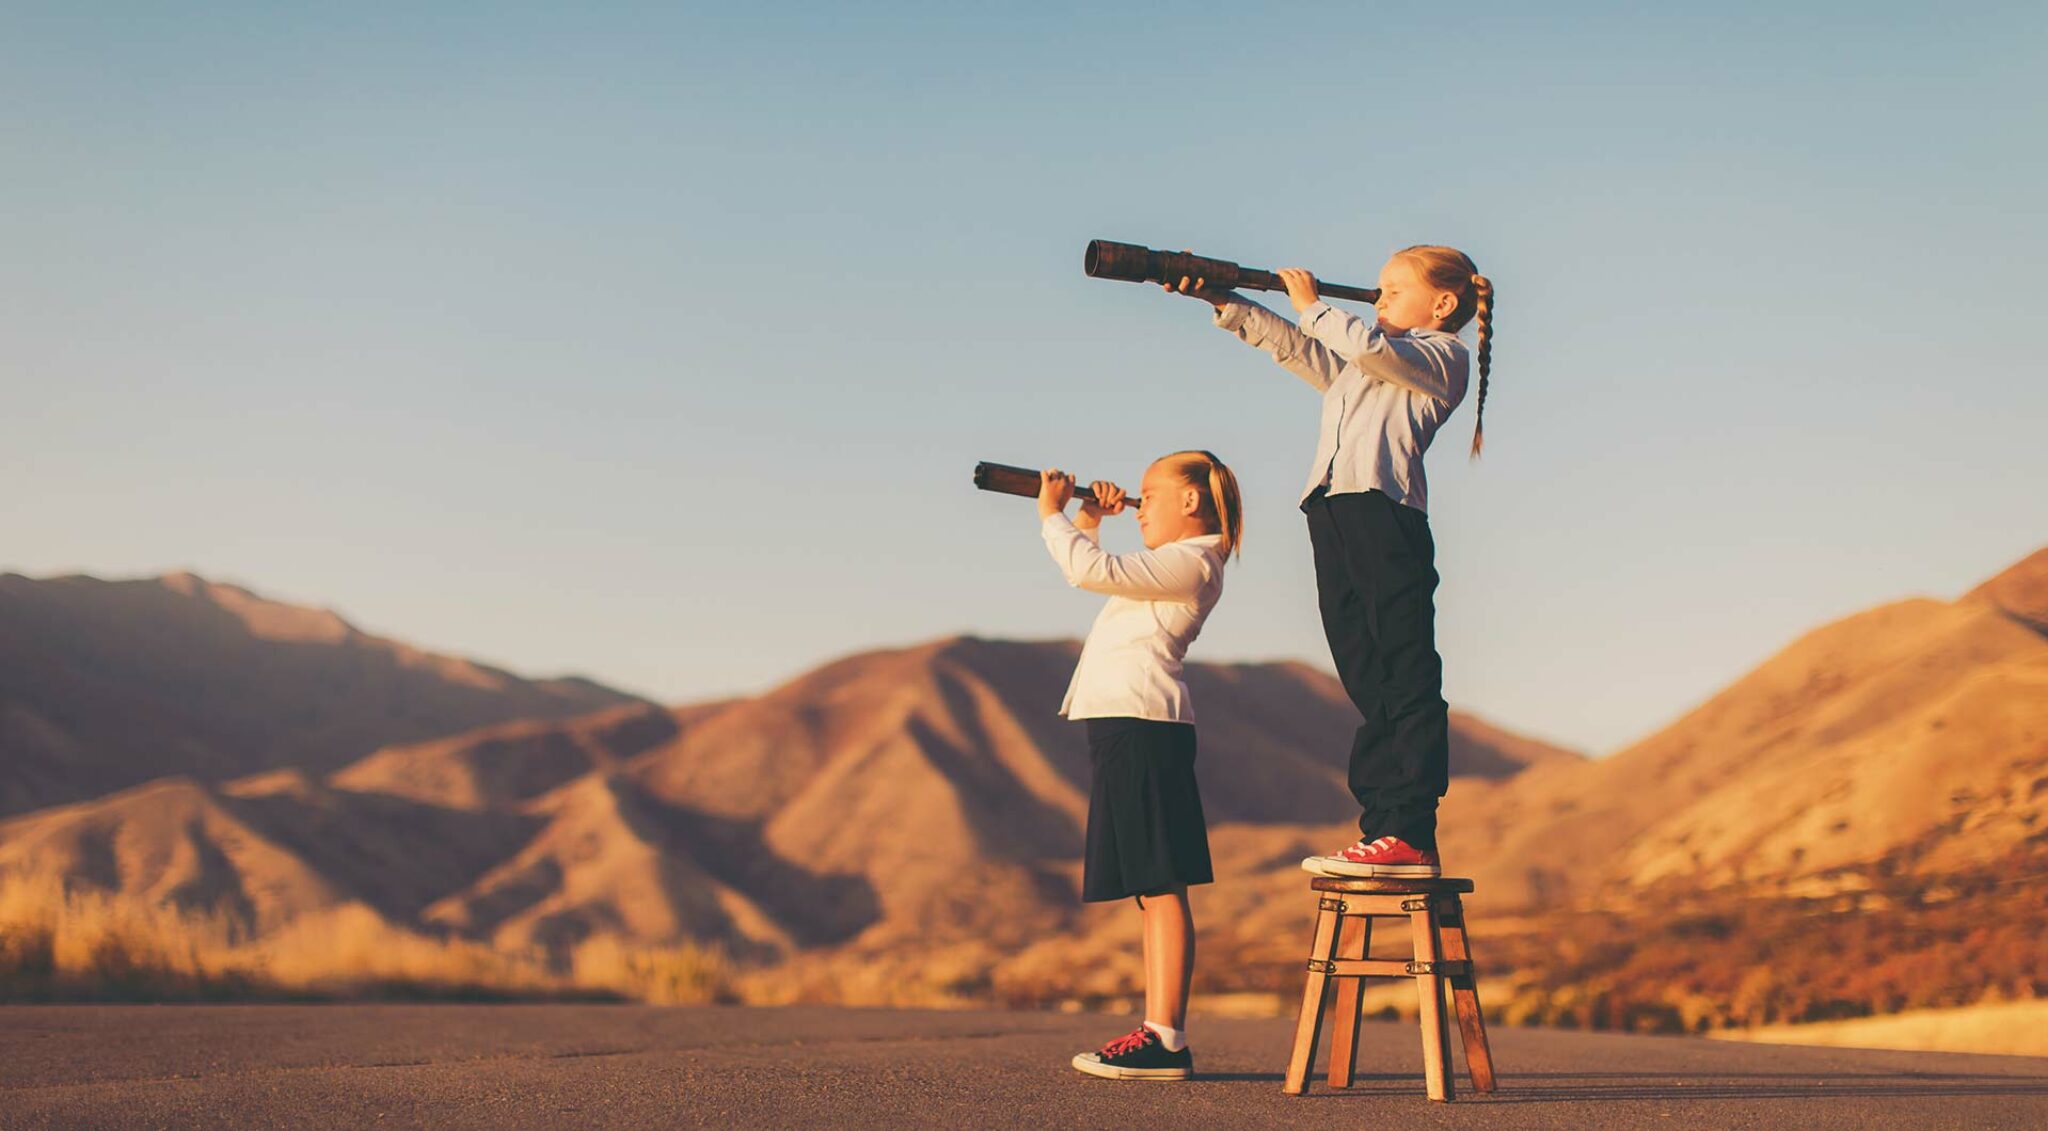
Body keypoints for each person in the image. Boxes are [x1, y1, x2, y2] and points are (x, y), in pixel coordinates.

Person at [1161, 246, 1494, 879]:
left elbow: (1362, 347)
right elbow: (1299, 347)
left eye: (1393, 289)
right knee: (1364, 671)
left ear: (1443, 304)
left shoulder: (1440, 357)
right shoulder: (1368, 365)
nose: (1379, 298)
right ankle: (1382, 829)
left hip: (1383, 513)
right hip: (1334, 513)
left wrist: (1314, 304)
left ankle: (1410, 829)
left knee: (1404, 669)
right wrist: (1222, 300)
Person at [1035, 451, 1241, 1081]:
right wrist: (1091, 519)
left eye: (1150, 494)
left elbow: (1089, 572)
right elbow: (1103, 567)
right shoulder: (1171, 563)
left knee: (1161, 881)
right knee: (1152, 889)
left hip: (1144, 724)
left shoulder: (1194, 558)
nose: (1139, 504)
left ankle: (1167, 1038)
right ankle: (1160, 1032)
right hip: (1129, 725)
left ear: (1189, 501)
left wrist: (1055, 514)